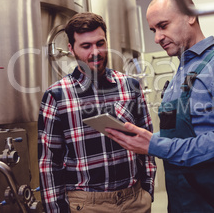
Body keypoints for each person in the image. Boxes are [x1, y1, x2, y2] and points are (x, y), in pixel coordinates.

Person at [106, 0, 214, 212]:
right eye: (153, 30)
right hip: (182, 200)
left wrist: (156, 145)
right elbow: (182, 136)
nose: (157, 38)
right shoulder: (181, 72)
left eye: (163, 26)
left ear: (191, 16)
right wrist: (146, 140)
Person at [38, 12, 157, 213]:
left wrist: (147, 190)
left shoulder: (130, 86)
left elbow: (146, 142)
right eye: (86, 46)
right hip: (86, 204)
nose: (96, 52)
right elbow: (49, 163)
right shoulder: (56, 95)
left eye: (100, 43)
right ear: (71, 49)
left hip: (134, 200)